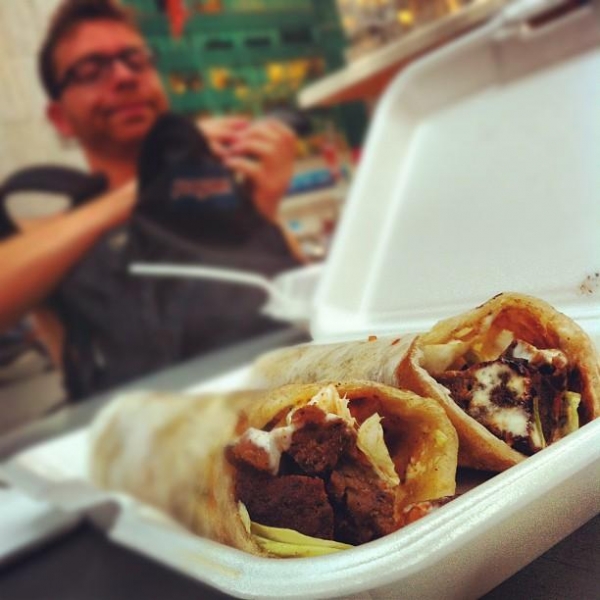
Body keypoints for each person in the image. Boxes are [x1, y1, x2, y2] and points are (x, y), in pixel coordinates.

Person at [0, 0, 300, 400]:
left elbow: (302, 297)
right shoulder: (46, 238)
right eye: (90, 70)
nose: (124, 76)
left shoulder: (214, 200)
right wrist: (147, 188)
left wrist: (258, 212)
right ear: (60, 118)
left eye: (136, 60)